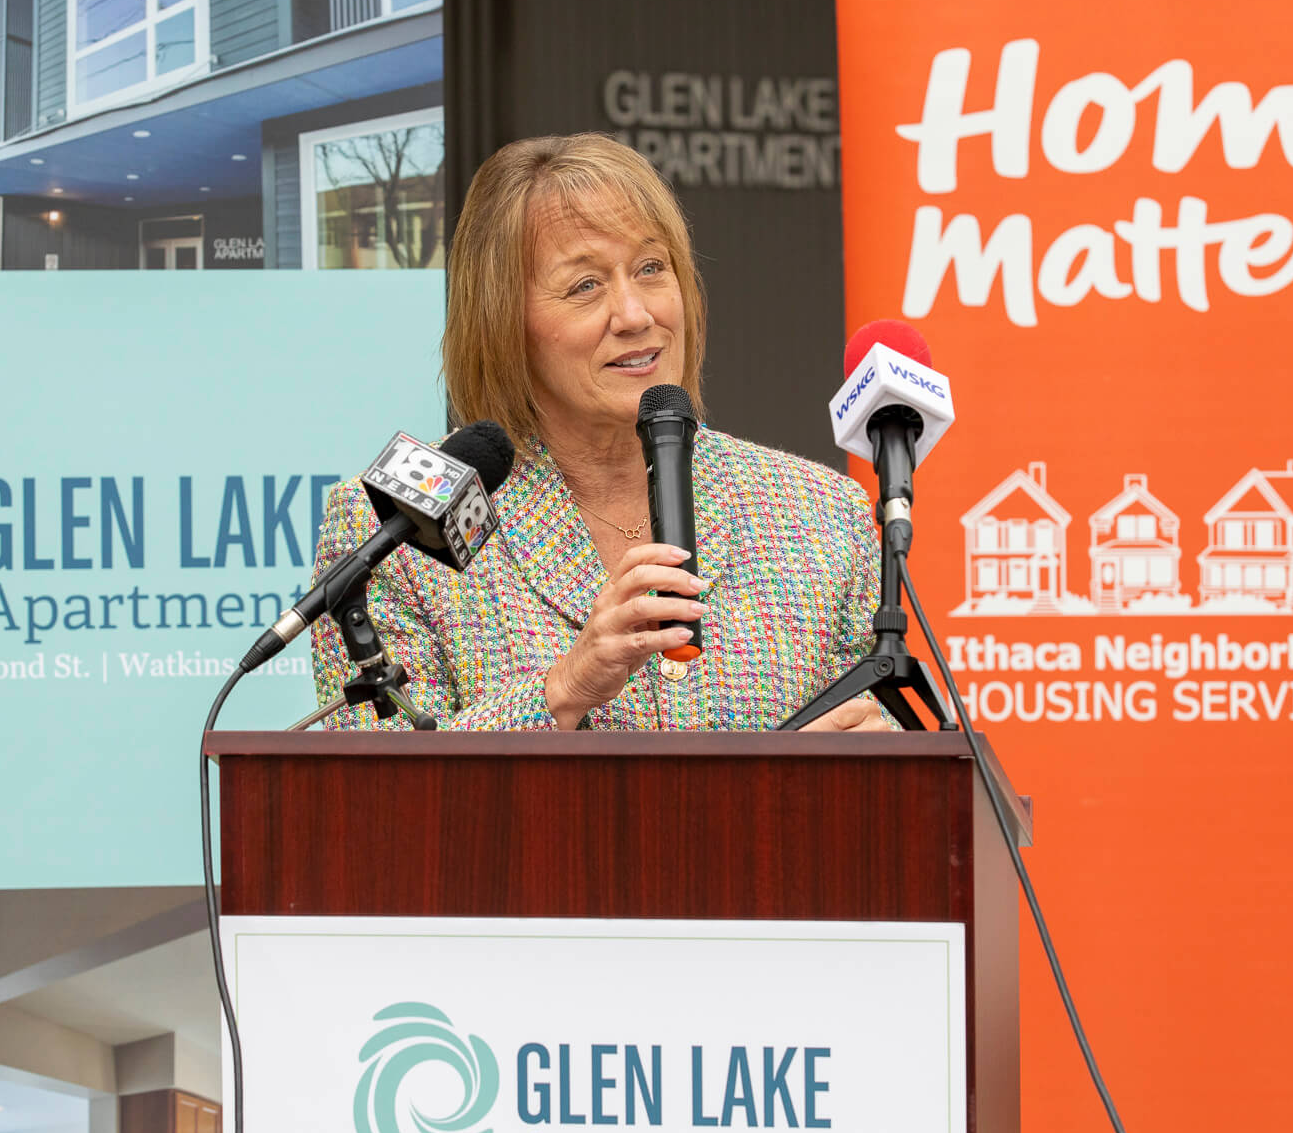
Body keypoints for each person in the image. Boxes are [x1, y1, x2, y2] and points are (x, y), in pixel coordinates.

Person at [309, 132, 890, 732]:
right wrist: (562, 690)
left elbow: (885, 739)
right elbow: (379, 780)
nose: (636, 315)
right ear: (503, 320)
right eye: (585, 285)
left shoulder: (819, 513)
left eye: (651, 268)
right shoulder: (391, 526)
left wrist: (820, 771)